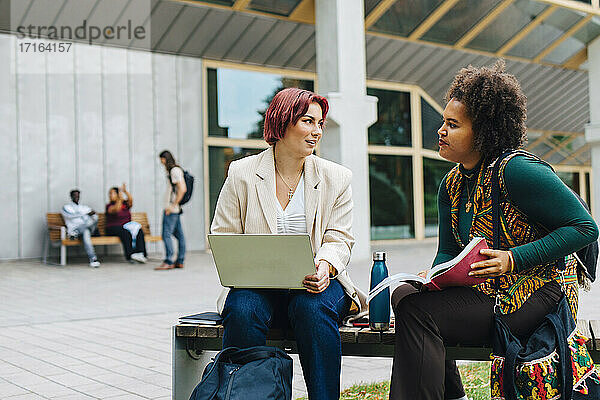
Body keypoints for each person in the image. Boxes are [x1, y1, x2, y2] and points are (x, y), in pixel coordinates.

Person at [388, 61, 599, 400]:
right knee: (405, 297)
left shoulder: (516, 170)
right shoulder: (452, 184)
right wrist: (435, 276)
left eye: (453, 125)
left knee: (418, 313)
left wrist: (512, 259)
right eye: (444, 121)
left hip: (540, 291)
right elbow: (447, 249)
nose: (441, 130)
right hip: (490, 290)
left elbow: (585, 228)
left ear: (483, 131)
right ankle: (454, 395)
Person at [211, 87, 366, 400]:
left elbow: (339, 237)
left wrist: (326, 266)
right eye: (308, 121)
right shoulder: (242, 173)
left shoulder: (336, 177)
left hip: (316, 285)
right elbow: (223, 234)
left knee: (311, 306)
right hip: (257, 286)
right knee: (242, 308)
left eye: (320, 123)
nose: (317, 131)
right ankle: (244, 394)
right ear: (282, 123)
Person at [155, 150, 187, 270]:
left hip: (172, 209)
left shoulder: (174, 171)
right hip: (175, 209)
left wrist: (172, 206)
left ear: (165, 158)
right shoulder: (175, 170)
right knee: (180, 235)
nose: (161, 162)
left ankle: (169, 260)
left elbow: (182, 189)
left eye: (162, 159)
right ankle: (180, 260)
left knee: (166, 234)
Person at [105, 184, 147, 263]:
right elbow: (116, 209)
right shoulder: (109, 206)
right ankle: (130, 255)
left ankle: (141, 254)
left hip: (126, 226)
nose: (110, 195)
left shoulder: (125, 204)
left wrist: (125, 191)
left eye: (112, 193)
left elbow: (131, 200)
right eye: (109, 193)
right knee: (125, 232)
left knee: (139, 230)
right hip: (112, 228)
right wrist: (120, 199)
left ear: (117, 194)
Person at [61, 189, 100, 268]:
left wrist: (91, 215)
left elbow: (95, 217)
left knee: (91, 222)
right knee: (86, 236)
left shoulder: (84, 207)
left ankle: (74, 233)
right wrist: (86, 214)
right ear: (71, 196)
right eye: (74, 195)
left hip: (85, 229)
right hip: (75, 228)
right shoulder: (66, 207)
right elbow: (70, 215)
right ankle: (93, 259)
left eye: (78, 195)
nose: (76, 197)